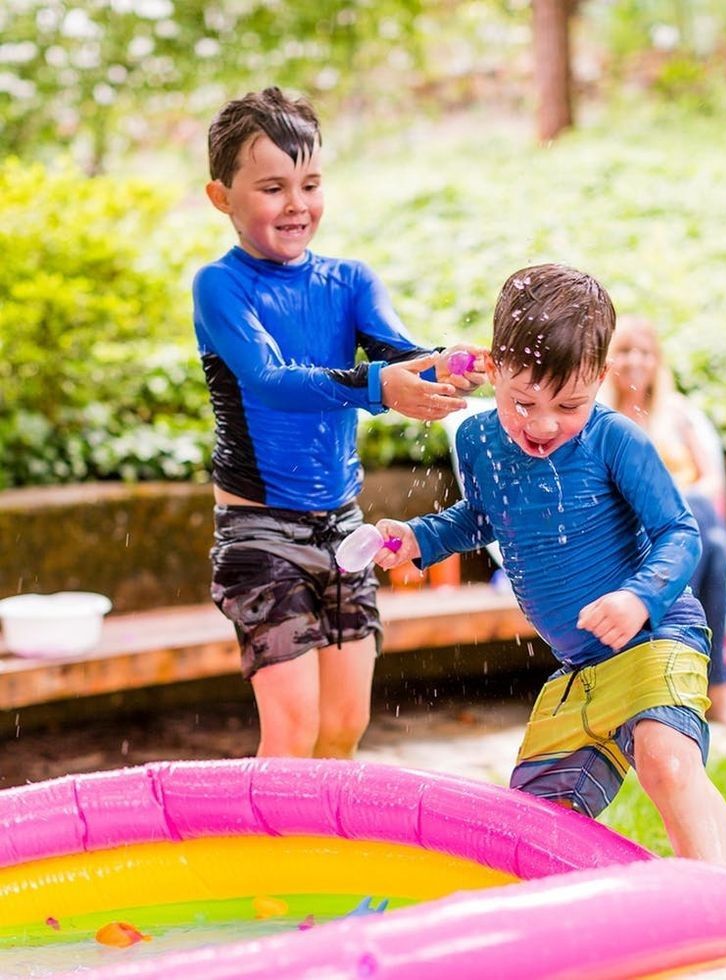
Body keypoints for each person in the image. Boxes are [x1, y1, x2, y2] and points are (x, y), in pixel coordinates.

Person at [372, 264, 726, 871]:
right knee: (532, 822)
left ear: (600, 378)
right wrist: (416, 537)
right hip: (582, 668)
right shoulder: (479, 443)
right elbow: (483, 517)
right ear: (493, 368)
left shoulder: (615, 439)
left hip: (656, 637)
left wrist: (638, 597)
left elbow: (679, 533)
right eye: (523, 402)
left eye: (570, 404)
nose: (542, 425)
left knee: (666, 762)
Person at [193, 86, 483, 759]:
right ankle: (262, 863)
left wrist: (456, 365)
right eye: (272, 187)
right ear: (221, 198)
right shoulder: (221, 287)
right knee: (292, 732)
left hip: (343, 529)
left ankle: (313, 861)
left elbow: (399, 354)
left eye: (310, 183)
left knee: (341, 729)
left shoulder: (349, 281)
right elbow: (270, 381)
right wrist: (383, 386)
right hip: (259, 532)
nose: (297, 204)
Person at [603, 315, 726, 730]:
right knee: (711, 542)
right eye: (625, 351)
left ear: (658, 361)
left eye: (645, 352)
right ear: (609, 360)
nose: (635, 361)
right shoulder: (602, 419)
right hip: (639, 530)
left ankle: (672, 677)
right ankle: (718, 690)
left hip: (687, 524)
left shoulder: (678, 416)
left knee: (706, 531)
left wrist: (677, 500)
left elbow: (710, 477)